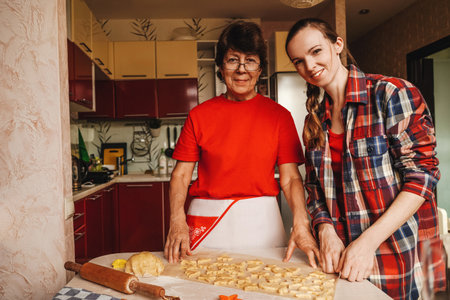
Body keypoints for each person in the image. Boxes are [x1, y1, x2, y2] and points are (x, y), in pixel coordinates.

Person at [285, 18, 446, 299]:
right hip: (345, 261)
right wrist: (325, 231)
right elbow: (313, 189)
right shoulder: (313, 122)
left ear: (337, 45)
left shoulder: (391, 94)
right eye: (298, 61)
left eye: (315, 51)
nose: (309, 66)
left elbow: (423, 176)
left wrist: (367, 243)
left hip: (404, 254)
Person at [164, 21, 320, 267]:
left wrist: (301, 223)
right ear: (220, 66)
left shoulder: (279, 116)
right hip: (206, 221)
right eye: (232, 60)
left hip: (262, 222)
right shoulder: (199, 115)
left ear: (260, 68)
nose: (241, 69)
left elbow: (290, 179)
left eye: (250, 60)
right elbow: (181, 176)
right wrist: (176, 221)